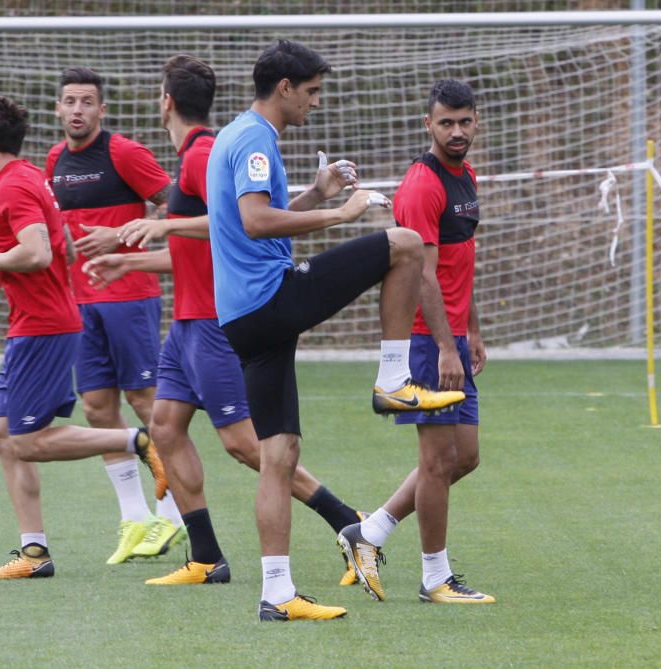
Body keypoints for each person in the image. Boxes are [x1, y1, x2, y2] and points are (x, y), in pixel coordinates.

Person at [83, 54, 366, 588]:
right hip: (187, 320)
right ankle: (207, 557)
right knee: (165, 426)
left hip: (216, 318)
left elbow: (237, 224)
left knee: (242, 443)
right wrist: (131, 259)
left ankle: (347, 520)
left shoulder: (204, 152)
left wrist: (161, 228)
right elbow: (217, 238)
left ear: (165, 100)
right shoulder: (206, 150)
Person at [206, 40, 466, 621]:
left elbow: (258, 220)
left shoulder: (237, 135)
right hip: (268, 299)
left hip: (243, 319)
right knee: (403, 245)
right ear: (284, 89)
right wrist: (340, 212)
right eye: (312, 92)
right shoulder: (253, 139)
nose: (315, 103)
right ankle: (394, 379)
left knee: (279, 454)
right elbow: (254, 223)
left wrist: (316, 193)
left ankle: (277, 594)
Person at [0, 93, 166, 580]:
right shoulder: (31, 175)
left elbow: (37, 254)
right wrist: (2, 276)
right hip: (35, 321)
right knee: (3, 436)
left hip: (44, 328)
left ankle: (136, 440)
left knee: (26, 441)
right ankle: (34, 553)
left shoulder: (14, 187)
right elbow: (60, 246)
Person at [337, 79, 495, 604]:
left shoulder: (466, 174)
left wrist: (472, 329)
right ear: (428, 124)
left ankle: (371, 531)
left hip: (451, 336)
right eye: (445, 122)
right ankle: (435, 578)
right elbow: (424, 277)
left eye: (464, 121)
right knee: (436, 460)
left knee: (463, 457)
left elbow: (459, 261)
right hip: (427, 341)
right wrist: (448, 346)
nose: (456, 131)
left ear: (476, 122)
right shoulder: (422, 186)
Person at [45, 67, 184, 565]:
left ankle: (177, 518)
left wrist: (128, 233)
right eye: (69, 101)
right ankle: (136, 517)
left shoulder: (124, 152)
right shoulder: (54, 161)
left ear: (102, 110)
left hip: (129, 296)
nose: (77, 109)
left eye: (87, 101)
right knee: (98, 407)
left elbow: (175, 205)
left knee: (148, 403)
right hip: (78, 304)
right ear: (58, 110)